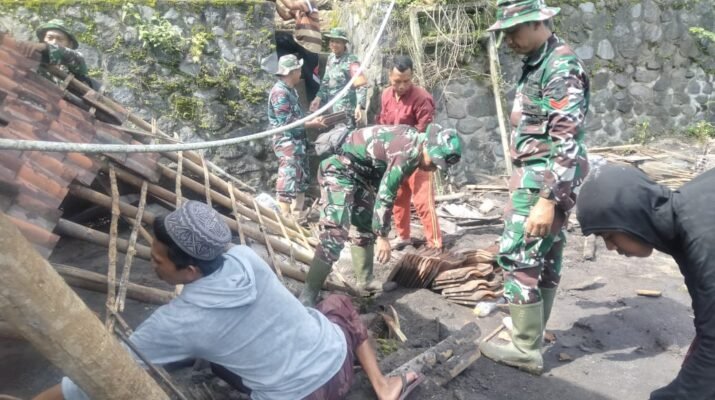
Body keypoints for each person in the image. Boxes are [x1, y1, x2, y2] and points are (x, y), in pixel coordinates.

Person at [33, 201, 424, 400]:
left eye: (156, 260)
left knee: (209, 357)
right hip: (339, 365)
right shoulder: (244, 257)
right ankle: (383, 384)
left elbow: (97, 373)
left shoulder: (177, 323)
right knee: (337, 303)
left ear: (191, 270)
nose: (150, 264)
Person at [477, 0, 590, 375]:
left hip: (545, 178)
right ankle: (533, 333)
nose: (509, 39)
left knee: (518, 254)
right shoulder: (538, 61)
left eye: (514, 31)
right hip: (542, 175)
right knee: (545, 252)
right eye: (506, 32)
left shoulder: (559, 67)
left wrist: (546, 199)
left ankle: (525, 348)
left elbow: (566, 140)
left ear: (540, 22)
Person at [576, 164, 715, 400]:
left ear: (631, 217)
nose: (610, 247)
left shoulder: (702, 239)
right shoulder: (685, 213)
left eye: (609, 235)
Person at [298, 123, 462, 306]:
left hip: (362, 176)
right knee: (335, 233)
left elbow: (383, 184)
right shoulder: (406, 152)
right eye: (433, 163)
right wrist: (382, 236)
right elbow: (386, 193)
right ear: (427, 147)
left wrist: (377, 226)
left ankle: (365, 282)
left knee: (365, 224)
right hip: (339, 169)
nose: (432, 169)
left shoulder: (416, 146)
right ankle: (308, 295)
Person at [376, 55, 441, 250]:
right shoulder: (386, 95)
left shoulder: (422, 97)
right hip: (395, 157)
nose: (402, 86)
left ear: (412, 77)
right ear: (389, 76)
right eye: (397, 81)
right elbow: (383, 124)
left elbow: (425, 131)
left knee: (423, 201)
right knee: (398, 197)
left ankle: (434, 243)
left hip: (417, 157)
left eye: (407, 81)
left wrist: (419, 155)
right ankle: (403, 236)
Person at [267, 54, 326, 218]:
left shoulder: (290, 90)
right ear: (292, 72)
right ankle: (284, 214)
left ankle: (297, 212)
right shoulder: (280, 93)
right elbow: (286, 122)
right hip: (287, 142)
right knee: (288, 174)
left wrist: (312, 118)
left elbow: (297, 117)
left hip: (298, 141)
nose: (301, 73)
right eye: (298, 70)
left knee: (301, 175)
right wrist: (312, 124)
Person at [309, 27, 367, 128]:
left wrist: (359, 106)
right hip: (332, 107)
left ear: (344, 44)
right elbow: (326, 80)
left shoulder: (352, 61)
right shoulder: (331, 58)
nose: (334, 44)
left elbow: (361, 85)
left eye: (338, 42)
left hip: (346, 110)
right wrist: (318, 98)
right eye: (332, 41)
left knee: (345, 133)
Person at [273, 0, 322, 101]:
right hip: (299, 43)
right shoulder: (298, 9)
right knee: (279, 40)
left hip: (311, 46)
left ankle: (315, 104)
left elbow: (291, 5)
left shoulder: (309, 2)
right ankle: (286, 68)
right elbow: (285, 15)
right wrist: (275, 3)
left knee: (311, 79)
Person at [35, 19, 94, 88]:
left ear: (69, 45)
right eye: (50, 38)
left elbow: (78, 58)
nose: (54, 42)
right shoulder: (35, 59)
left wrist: (45, 48)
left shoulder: (74, 64)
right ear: (43, 40)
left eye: (60, 39)